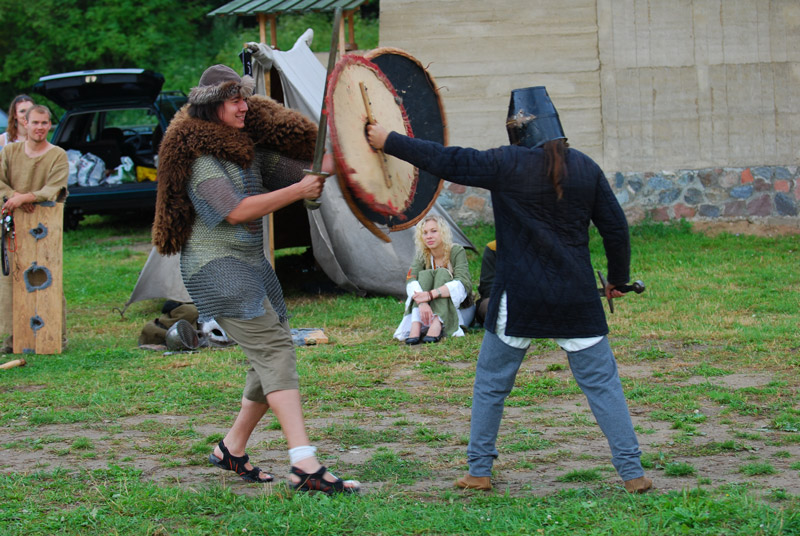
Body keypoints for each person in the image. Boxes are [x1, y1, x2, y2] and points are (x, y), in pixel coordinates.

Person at [367, 86, 652, 494]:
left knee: (491, 383)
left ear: (516, 131)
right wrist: (619, 279)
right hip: (575, 299)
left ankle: (479, 472)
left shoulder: (506, 163)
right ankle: (633, 474)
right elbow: (615, 229)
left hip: (519, 298)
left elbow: (447, 160)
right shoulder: (584, 168)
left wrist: (388, 141)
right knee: (603, 385)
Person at [152, 64, 359, 494]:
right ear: (213, 107)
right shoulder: (201, 159)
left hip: (249, 265)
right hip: (216, 268)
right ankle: (304, 462)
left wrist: (342, 147)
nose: (245, 106)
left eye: (244, 98)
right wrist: (299, 191)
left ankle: (231, 448)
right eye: (235, 100)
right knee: (274, 348)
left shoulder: (244, 152)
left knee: (268, 353)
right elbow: (236, 210)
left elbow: (304, 170)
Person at [0, 105, 69, 350]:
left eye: (44, 123)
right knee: (12, 279)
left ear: (49, 125)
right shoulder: (9, 152)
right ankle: (14, 337)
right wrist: (15, 197)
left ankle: (54, 335)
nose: (40, 128)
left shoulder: (57, 154)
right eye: (35, 123)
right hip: (15, 220)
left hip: (45, 224)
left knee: (48, 277)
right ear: (25, 124)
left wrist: (28, 197)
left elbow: (54, 188)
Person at [394, 214, 473, 345]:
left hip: (459, 308)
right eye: (424, 233)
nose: (429, 236)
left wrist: (429, 295)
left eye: (434, 231)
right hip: (427, 309)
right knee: (423, 276)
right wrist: (422, 303)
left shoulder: (456, 250)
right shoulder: (422, 254)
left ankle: (437, 322)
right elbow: (411, 279)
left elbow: (463, 283)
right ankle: (416, 323)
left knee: (442, 273)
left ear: (443, 232)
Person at [474, 239, 496, 326]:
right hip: (499, 299)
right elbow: (487, 287)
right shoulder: (493, 248)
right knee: (491, 306)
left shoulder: (534, 246)